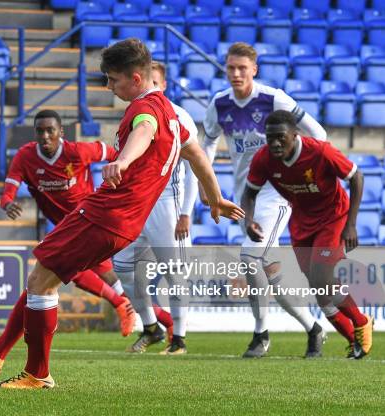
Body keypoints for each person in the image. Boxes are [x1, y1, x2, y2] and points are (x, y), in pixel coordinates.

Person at [0, 38, 244, 389]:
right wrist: (215, 199)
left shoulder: (145, 110)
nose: (109, 87)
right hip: (121, 222)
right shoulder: (172, 114)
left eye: (113, 79)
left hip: (104, 215)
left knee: (40, 282)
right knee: (42, 278)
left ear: (136, 78)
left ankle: (37, 373)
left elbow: (143, 132)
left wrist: (122, 159)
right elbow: (197, 156)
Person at [202, 42, 329, 358]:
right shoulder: (219, 104)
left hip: (278, 191)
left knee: (249, 258)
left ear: (254, 70)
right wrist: (209, 186)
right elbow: (207, 144)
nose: (235, 74)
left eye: (242, 68)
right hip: (246, 195)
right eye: (230, 67)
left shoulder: (274, 99)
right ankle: (313, 327)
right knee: (270, 271)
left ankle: (261, 334)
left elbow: (319, 134)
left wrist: (295, 167)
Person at [0, 110, 135, 369]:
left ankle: (3, 352)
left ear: (61, 132)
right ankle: (155, 319)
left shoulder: (78, 152)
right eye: (40, 131)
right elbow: (9, 189)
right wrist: (7, 202)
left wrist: (124, 172)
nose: (45, 136)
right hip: (67, 228)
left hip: (88, 222)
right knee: (53, 279)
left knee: (46, 277)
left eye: (50, 130)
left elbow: (113, 153)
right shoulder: (26, 157)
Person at [242, 110, 374, 359]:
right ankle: (354, 342)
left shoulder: (320, 151)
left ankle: (361, 321)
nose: (275, 143)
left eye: (281, 137)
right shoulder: (264, 159)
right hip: (302, 221)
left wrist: (351, 225)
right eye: (270, 138)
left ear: (295, 135)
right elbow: (249, 193)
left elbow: (356, 176)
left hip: (333, 218)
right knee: (319, 290)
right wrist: (249, 219)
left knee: (322, 277)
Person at [114, 61, 198, 355]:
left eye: (157, 83)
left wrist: (186, 213)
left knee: (175, 273)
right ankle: (151, 327)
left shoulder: (180, 116)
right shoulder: (134, 113)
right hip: (138, 203)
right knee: (123, 266)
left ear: (162, 85)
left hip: (166, 203)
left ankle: (180, 339)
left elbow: (198, 166)